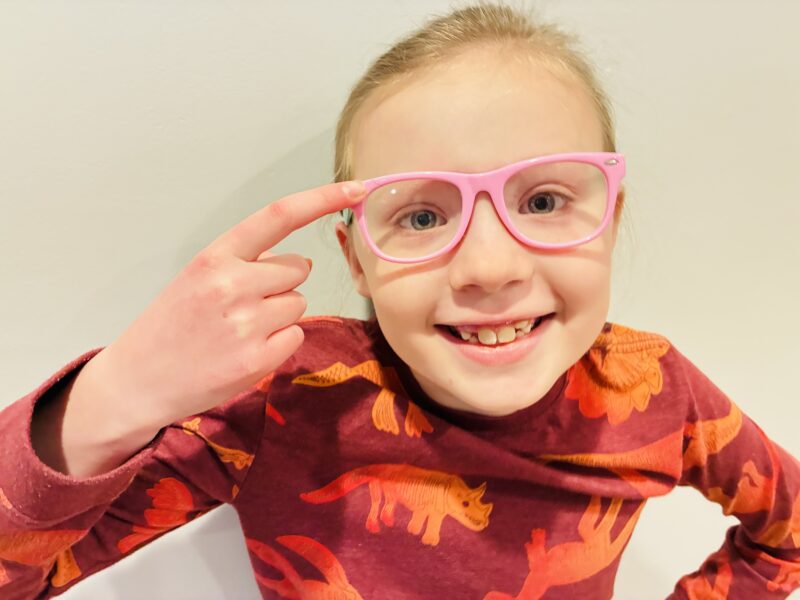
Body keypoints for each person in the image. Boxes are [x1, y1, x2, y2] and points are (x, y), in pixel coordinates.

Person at [1, 3, 799, 598]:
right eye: (421, 216)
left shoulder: (659, 392)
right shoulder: (284, 399)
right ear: (355, 258)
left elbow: (788, 536)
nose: (489, 266)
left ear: (610, 220)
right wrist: (111, 400)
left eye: (546, 202)